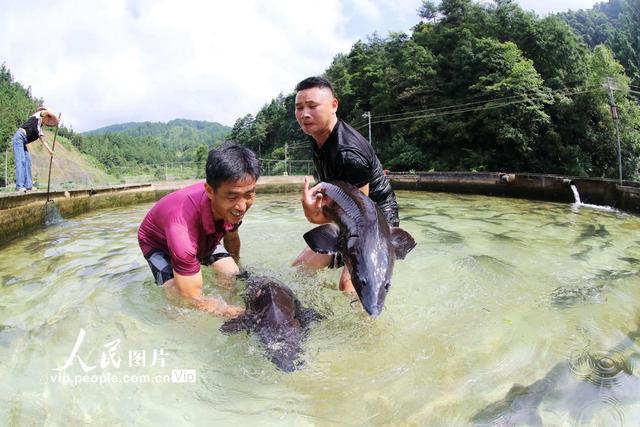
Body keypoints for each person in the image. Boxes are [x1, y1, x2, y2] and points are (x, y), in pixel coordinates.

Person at [292, 76, 400, 294]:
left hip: (376, 220)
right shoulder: (318, 136)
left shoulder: (349, 153)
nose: (304, 114)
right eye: (299, 107)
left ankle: (370, 327)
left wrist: (314, 216)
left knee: (351, 284)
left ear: (334, 105)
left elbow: (361, 216)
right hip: (350, 215)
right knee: (301, 270)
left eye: (312, 106)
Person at [138, 142, 259, 317]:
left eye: (249, 194)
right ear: (210, 191)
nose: (241, 206)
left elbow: (231, 236)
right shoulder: (183, 233)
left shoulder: (232, 208)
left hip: (203, 234)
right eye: (232, 196)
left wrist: (238, 265)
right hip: (159, 243)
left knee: (232, 274)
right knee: (178, 297)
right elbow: (191, 297)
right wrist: (233, 313)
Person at [12, 106, 58, 192]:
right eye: (48, 118)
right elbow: (46, 111)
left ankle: (28, 186)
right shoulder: (37, 116)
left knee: (28, 162)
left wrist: (50, 150)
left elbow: (43, 141)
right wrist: (56, 118)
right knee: (21, 161)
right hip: (19, 138)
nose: (48, 120)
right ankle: (19, 186)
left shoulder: (39, 128)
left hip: (23, 142)